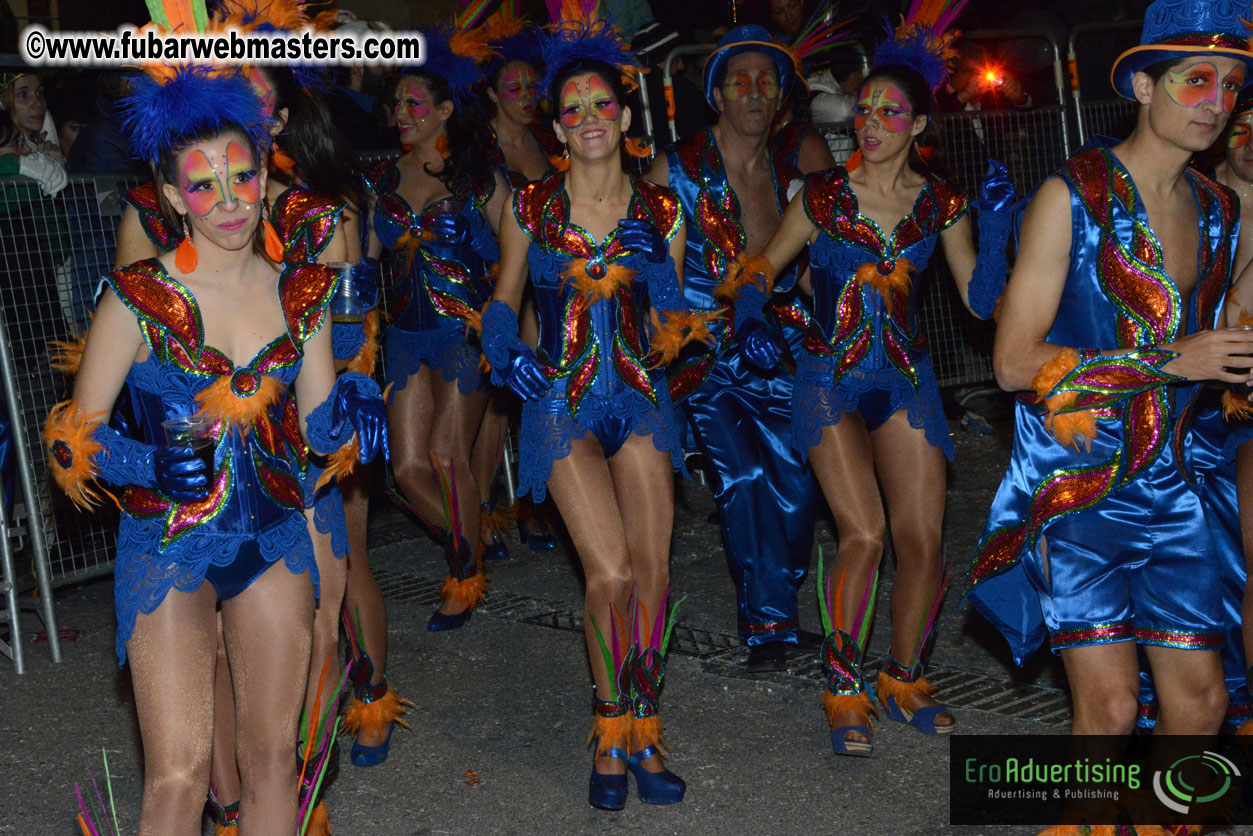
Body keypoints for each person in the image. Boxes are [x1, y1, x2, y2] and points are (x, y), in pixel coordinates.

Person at [44, 41, 384, 834]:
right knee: (178, 776)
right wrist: (149, 462)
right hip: (167, 546)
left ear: (266, 173)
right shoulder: (137, 297)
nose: (229, 200)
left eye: (242, 176)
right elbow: (71, 442)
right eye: (204, 184)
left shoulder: (303, 292)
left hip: (273, 542)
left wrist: (355, 411)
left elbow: (319, 424)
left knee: (276, 763)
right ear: (171, 194)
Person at [965, 0, 1253, 806]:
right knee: (1112, 706)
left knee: (1200, 706)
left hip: (1172, 485)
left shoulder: (1220, 210)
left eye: (1230, 86)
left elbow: (1218, 337)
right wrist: (1174, 360)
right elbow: (1013, 363)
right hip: (1078, 485)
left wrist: (1229, 363)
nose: (1214, 101)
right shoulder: (1072, 197)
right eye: (1195, 80)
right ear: (1140, 84)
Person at [747, 1, 1016, 755]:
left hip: (904, 378)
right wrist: (760, 317)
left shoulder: (940, 204)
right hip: (827, 376)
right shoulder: (822, 196)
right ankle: (842, 687)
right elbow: (762, 269)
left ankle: (903, 678)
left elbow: (979, 302)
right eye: (862, 109)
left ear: (919, 127)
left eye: (887, 113)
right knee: (862, 533)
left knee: (923, 540)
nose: (868, 122)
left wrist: (994, 233)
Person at [480, 4, 700, 810]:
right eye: (570, 109)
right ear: (557, 128)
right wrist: (508, 357)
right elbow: (503, 301)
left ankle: (645, 725)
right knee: (606, 572)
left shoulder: (665, 209)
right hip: (561, 402)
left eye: (600, 103)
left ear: (626, 114)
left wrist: (665, 278)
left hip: (640, 398)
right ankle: (609, 732)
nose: (587, 119)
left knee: (653, 574)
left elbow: (677, 325)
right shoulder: (529, 206)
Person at [646, 24, 821, 674]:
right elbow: (648, 270)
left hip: (778, 350)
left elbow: (805, 270)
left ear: (779, 99)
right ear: (716, 94)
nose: (754, 92)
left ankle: (777, 600)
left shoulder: (789, 174)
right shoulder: (675, 168)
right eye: (739, 80)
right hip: (703, 361)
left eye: (766, 81)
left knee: (797, 488)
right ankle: (767, 625)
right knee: (742, 476)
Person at [366, 22, 512, 631]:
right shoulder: (380, 177)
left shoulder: (478, 177)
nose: (401, 113)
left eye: (414, 103)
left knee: (448, 457)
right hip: (402, 334)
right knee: (405, 470)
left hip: (463, 332)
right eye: (397, 103)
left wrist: (507, 322)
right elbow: (365, 264)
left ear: (446, 110)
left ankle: (462, 575)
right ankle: (471, 544)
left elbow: (520, 248)